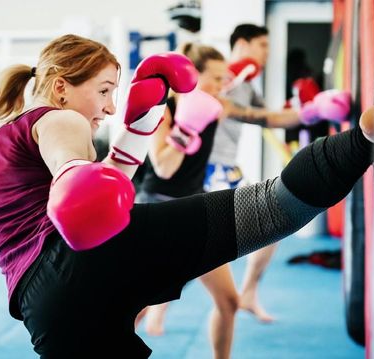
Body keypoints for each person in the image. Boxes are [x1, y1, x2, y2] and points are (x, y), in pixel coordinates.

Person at [0, 34, 374, 358]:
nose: (110, 107)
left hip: (45, 308)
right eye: (104, 90)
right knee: (271, 207)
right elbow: (70, 168)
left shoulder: (11, 134)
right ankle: (366, 137)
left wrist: (136, 134)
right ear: (61, 88)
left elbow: (96, 205)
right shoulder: (59, 119)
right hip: (73, 259)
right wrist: (76, 171)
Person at [206, 24, 340, 322]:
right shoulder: (213, 76)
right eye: (262, 45)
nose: (267, 53)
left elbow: (269, 118)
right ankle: (150, 312)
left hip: (227, 170)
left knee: (272, 224)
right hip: (202, 171)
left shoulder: (248, 83)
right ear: (242, 43)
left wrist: (312, 110)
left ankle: (249, 292)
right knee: (191, 249)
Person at [135, 43, 256, 358]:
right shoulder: (164, 110)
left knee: (228, 301)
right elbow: (164, 166)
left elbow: (263, 117)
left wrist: (310, 113)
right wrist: (186, 129)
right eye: (214, 78)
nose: (220, 86)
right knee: (136, 307)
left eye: (223, 79)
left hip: (195, 207)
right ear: (191, 77)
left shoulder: (217, 106)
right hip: (157, 208)